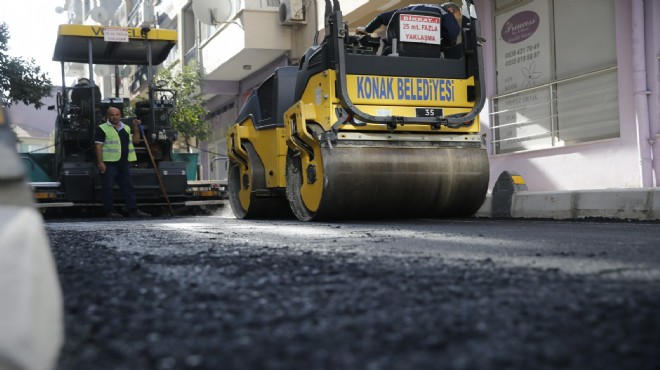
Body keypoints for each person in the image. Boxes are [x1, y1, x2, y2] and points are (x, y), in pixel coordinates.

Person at [95, 107, 150, 218]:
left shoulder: (126, 128)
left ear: (120, 115)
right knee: (108, 187)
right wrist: (100, 162)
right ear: (108, 116)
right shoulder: (102, 128)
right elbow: (98, 146)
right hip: (109, 163)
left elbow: (136, 141)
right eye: (112, 115)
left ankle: (133, 210)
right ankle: (109, 211)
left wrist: (136, 128)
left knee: (128, 186)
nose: (115, 117)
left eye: (117, 114)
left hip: (123, 163)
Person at [355, 3, 460, 47]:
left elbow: (381, 17)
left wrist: (367, 29)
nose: (455, 21)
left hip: (399, 50)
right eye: (456, 18)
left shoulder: (412, 7)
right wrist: (445, 45)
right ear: (450, 10)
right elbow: (452, 34)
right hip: (430, 53)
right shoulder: (446, 13)